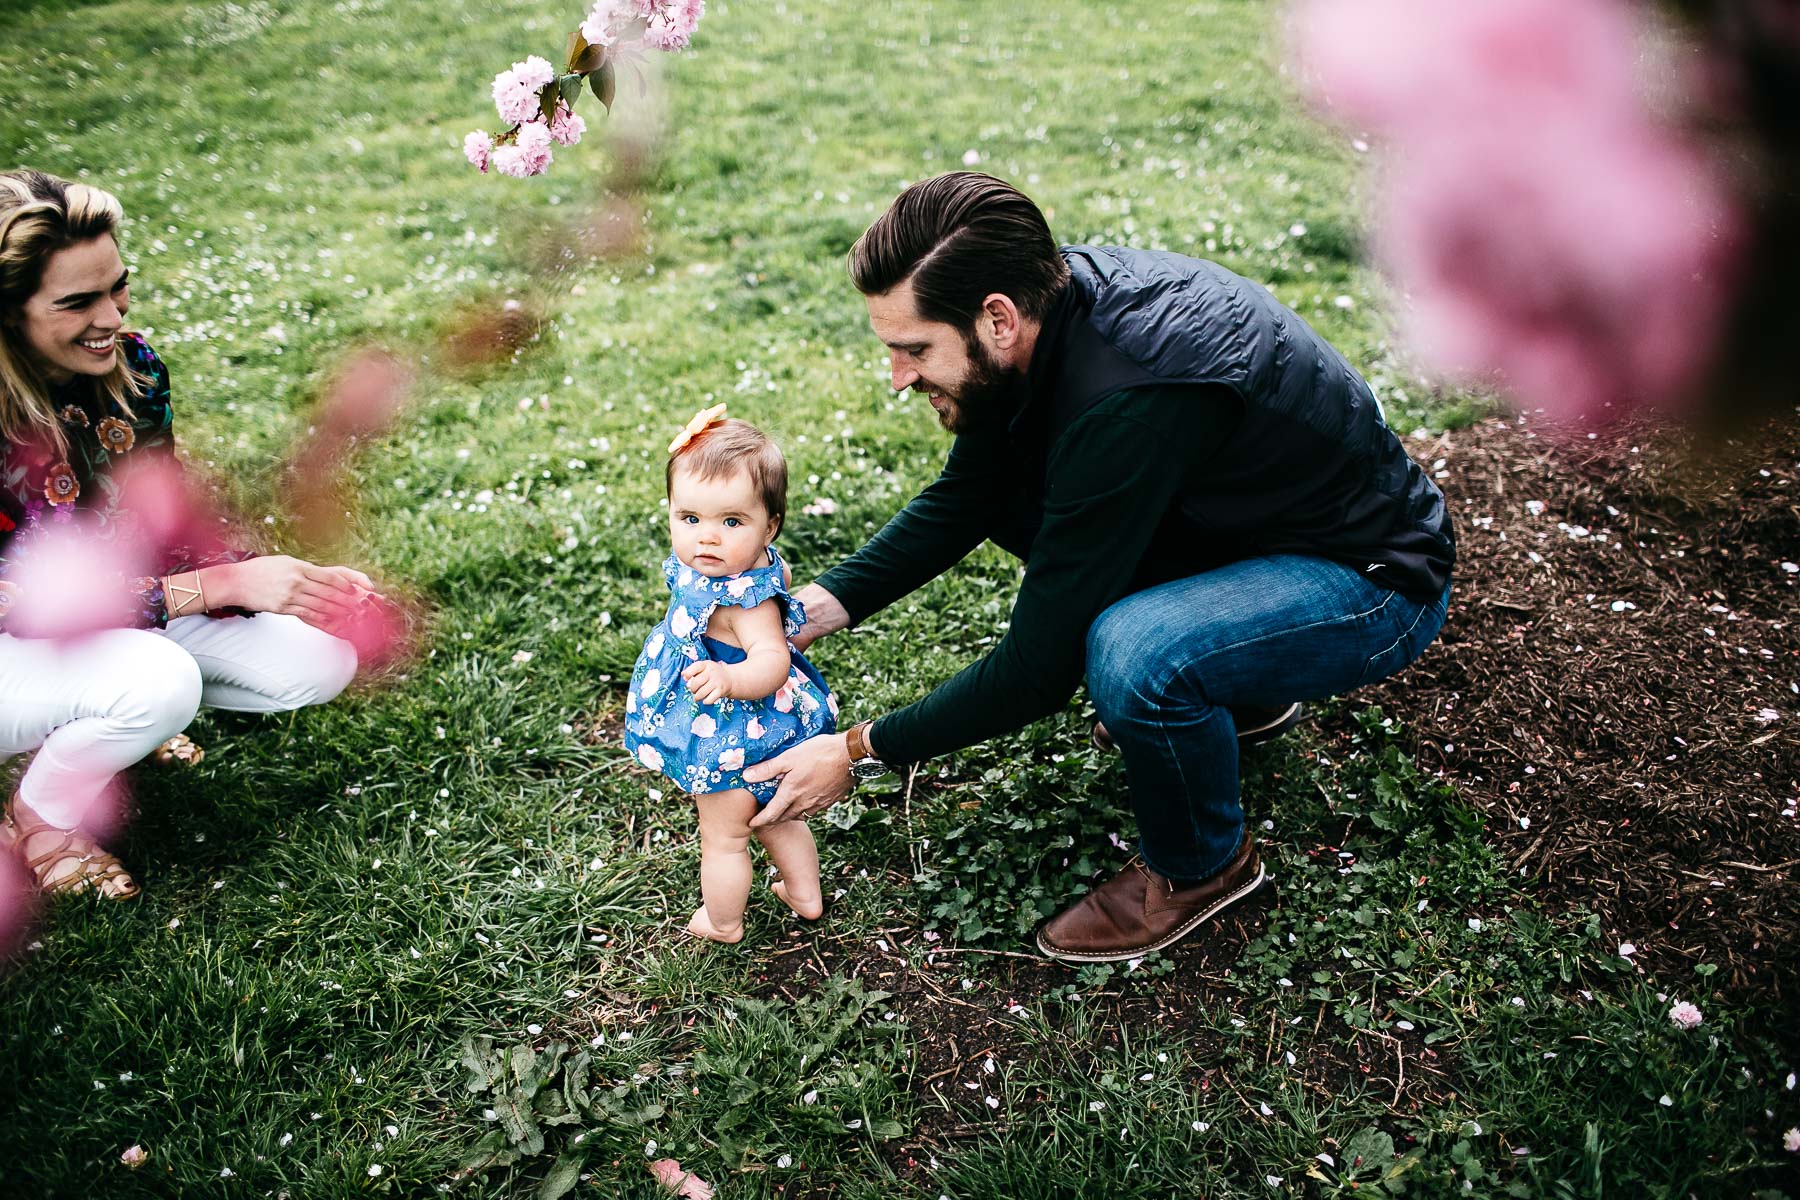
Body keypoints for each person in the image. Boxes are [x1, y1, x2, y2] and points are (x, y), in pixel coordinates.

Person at [742, 172, 1454, 963]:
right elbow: (967, 499)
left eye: (914, 350)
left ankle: (1202, 870)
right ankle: (1238, 693)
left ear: (996, 320)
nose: (899, 378)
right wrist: (794, 618)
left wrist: (855, 751)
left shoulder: (1126, 399)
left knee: (1133, 653)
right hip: (1253, 532)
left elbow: (1036, 672)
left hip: (1370, 582)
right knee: (1024, 502)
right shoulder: (1039, 312)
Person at [0, 169, 375, 900]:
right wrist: (217, 587)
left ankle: (102, 723)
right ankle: (42, 818)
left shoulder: (131, 370)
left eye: (118, 286)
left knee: (320, 658)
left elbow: (151, 524)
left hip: (119, 612)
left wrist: (277, 581)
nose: (111, 317)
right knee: (158, 684)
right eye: (78, 302)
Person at [623, 407, 838, 943]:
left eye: (731, 522)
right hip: (759, 728)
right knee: (781, 817)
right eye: (689, 519)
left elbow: (773, 660)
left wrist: (729, 678)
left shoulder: (746, 601)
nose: (707, 539)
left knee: (725, 836)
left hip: (727, 732)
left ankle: (722, 921)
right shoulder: (738, 564)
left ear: (771, 526)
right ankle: (804, 895)